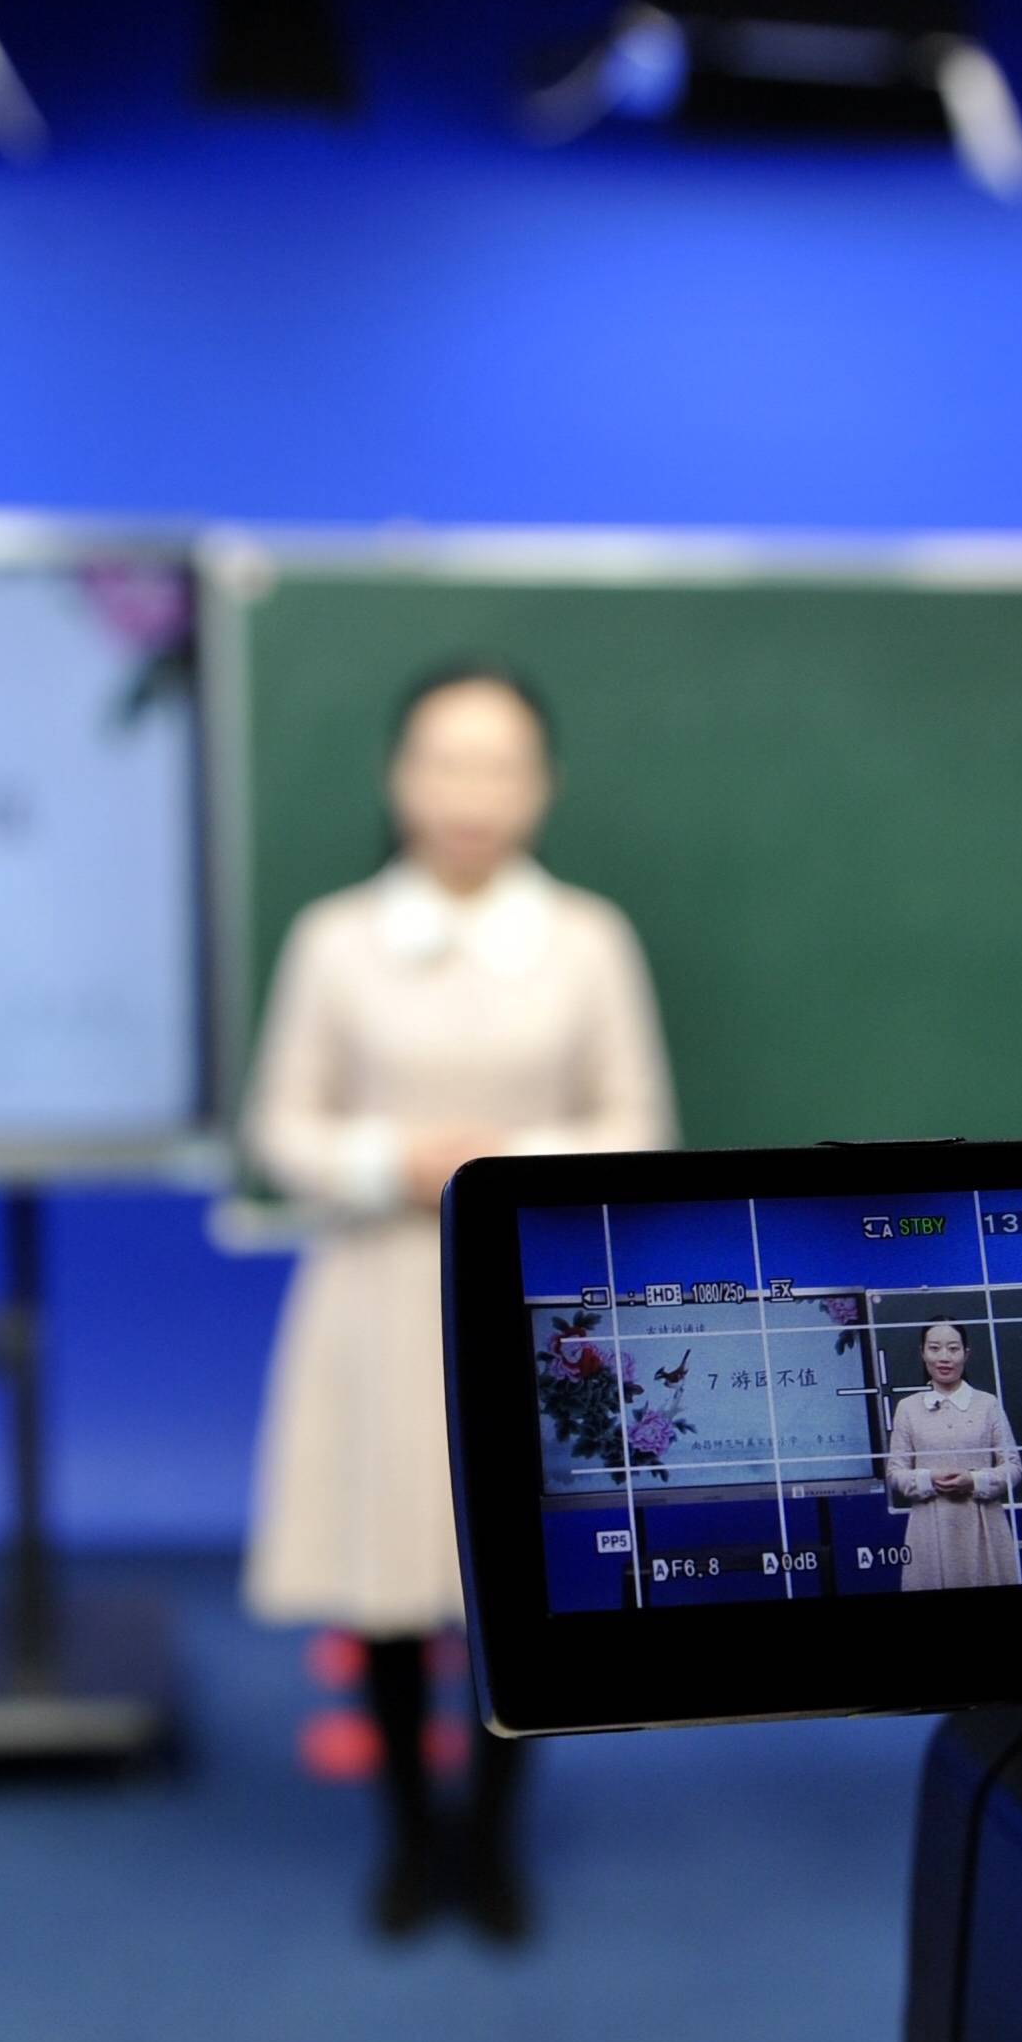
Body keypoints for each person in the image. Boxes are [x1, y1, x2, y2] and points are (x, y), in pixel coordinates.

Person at [242, 665, 675, 1942]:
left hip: (535, 1303)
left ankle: (491, 1842)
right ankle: (405, 1839)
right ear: (398, 777)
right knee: (385, 1580)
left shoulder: (588, 940)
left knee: (515, 1590)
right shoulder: (334, 939)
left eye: (497, 765)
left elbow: (639, 1125)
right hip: (376, 1288)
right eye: (442, 761)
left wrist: (498, 1166)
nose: (467, 794)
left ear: (539, 785)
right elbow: (279, 1127)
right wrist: (392, 1160)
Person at [881, 1321, 1022, 1590]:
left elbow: (1013, 1466)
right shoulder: (908, 1408)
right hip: (930, 1526)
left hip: (983, 1525)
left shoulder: (988, 1404)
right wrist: (929, 1478)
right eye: (935, 1348)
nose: (944, 1357)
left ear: (966, 1354)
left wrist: (974, 1480)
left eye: (953, 1348)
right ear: (922, 1353)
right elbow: (895, 1473)